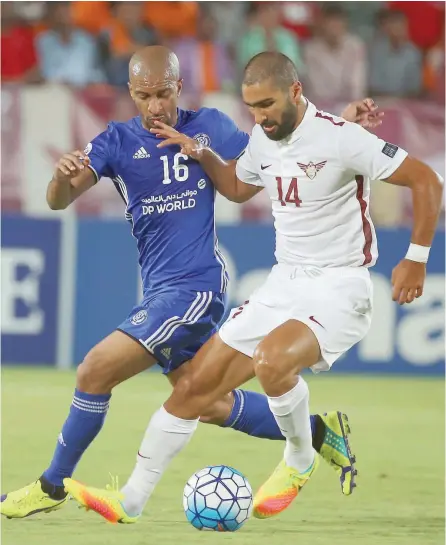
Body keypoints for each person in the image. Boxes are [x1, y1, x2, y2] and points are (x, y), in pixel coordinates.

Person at [0, 46, 383, 521]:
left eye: (163, 93)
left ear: (179, 87)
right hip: (159, 289)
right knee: (206, 401)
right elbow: (59, 200)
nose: (155, 105)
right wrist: (62, 178)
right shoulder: (116, 141)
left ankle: (51, 484)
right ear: (131, 94)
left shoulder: (211, 126)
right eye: (144, 96)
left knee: (94, 370)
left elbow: (277, 150)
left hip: (196, 288)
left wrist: (339, 126)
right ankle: (322, 434)